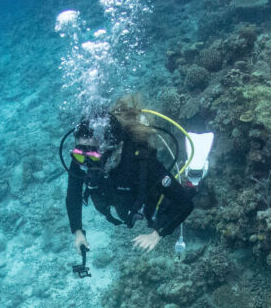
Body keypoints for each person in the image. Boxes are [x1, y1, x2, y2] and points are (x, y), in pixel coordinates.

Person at [66, 97, 195, 260]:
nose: (86, 163)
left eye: (93, 157)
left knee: (158, 210)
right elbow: (73, 194)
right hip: (119, 196)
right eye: (79, 155)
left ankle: (194, 177)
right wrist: (78, 231)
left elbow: (185, 203)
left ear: (113, 149)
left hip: (146, 194)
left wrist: (157, 234)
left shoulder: (141, 161)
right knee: (125, 213)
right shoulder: (82, 159)